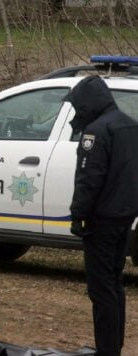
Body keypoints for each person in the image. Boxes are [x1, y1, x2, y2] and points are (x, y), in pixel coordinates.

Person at [63, 75, 138, 356]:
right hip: (125, 216)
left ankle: (107, 350)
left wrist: (78, 215)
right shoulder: (129, 124)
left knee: (101, 288)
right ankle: (113, 347)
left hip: (102, 219)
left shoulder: (96, 131)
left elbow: (89, 179)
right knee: (115, 282)